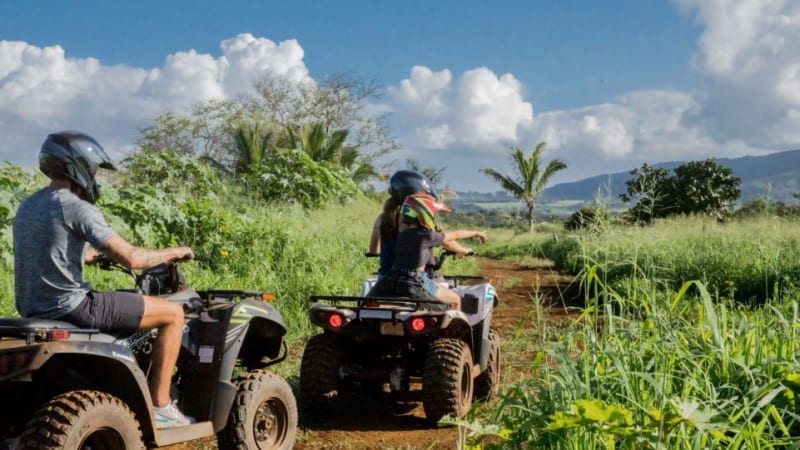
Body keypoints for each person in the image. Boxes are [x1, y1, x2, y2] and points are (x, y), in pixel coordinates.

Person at [13, 131, 196, 429]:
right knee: (173, 314)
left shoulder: (28, 206)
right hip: (73, 307)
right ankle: (162, 405)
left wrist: (91, 258)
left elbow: (51, 249)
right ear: (80, 166)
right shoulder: (76, 207)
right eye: (95, 168)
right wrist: (175, 251)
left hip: (34, 308)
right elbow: (133, 258)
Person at [367, 192, 488, 310]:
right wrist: (477, 233)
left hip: (390, 278)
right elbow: (456, 234)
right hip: (415, 281)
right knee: (455, 300)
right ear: (426, 215)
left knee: (363, 305)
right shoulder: (427, 236)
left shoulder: (401, 232)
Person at [368, 170, 439, 276]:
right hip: (416, 280)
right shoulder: (419, 221)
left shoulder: (382, 219)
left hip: (386, 278)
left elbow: (374, 250)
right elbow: (444, 240)